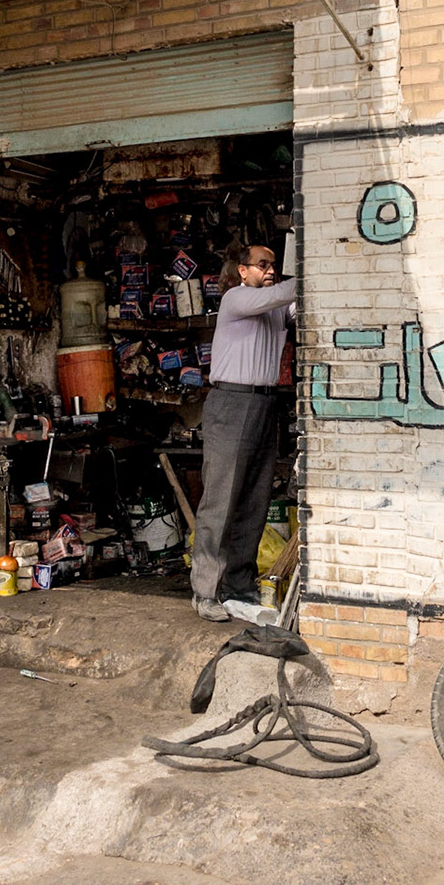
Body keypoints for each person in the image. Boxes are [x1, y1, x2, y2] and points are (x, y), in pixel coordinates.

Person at [190, 241, 295, 622]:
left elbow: (297, 305)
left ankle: (239, 586)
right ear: (243, 271)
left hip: (266, 404)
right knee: (220, 503)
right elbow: (291, 291)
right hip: (231, 404)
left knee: (255, 501)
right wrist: (314, 267)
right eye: (262, 265)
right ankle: (205, 592)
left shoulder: (275, 306)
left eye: (273, 265)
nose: (270, 270)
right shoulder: (236, 299)